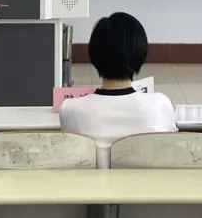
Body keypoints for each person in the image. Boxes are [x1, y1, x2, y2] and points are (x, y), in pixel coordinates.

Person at [60, 12, 176, 168]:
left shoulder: (70, 108)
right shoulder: (160, 104)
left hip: (92, 183)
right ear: (140, 53)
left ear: (94, 54)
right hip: (147, 183)